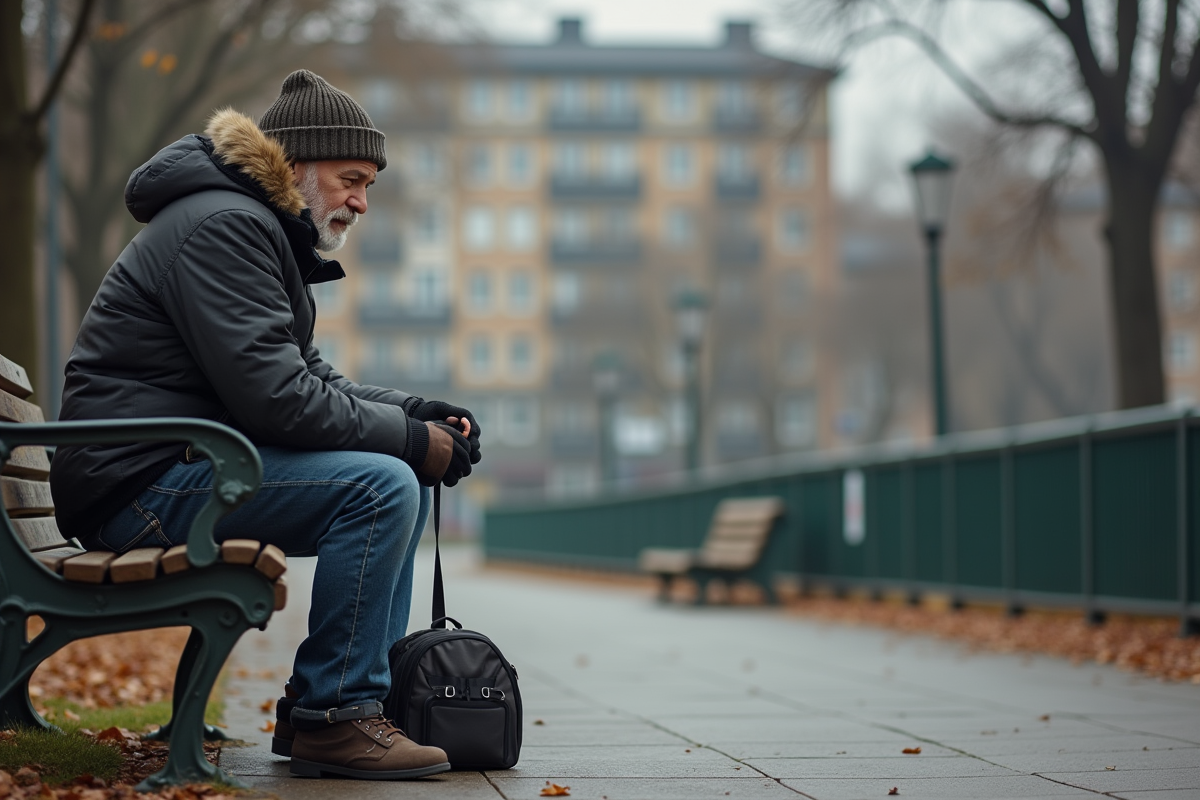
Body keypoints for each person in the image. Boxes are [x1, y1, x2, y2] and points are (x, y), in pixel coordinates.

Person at [49, 70, 480, 781]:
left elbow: (307, 377)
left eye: (368, 184)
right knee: (381, 486)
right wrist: (406, 443)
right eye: (351, 178)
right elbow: (279, 400)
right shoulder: (226, 226)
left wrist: (412, 413)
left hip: (161, 470)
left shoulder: (250, 227)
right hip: (139, 490)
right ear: (296, 163)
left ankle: (334, 708)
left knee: (391, 471)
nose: (360, 201)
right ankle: (333, 716)